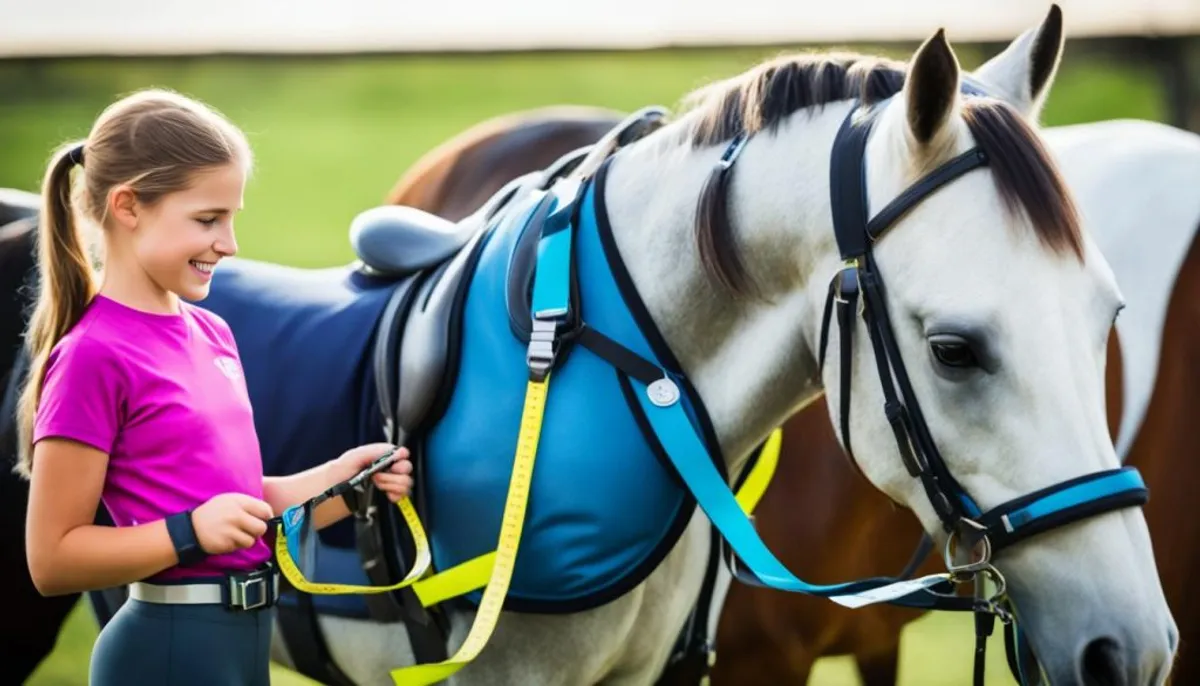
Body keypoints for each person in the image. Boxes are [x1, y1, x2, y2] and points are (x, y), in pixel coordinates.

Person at [14, 88, 414, 686]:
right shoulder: (91, 355)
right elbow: (52, 559)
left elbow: (241, 506)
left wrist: (344, 482)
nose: (229, 244)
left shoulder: (212, 332)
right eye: (207, 219)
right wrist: (189, 532)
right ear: (128, 207)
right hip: (167, 653)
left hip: (245, 645)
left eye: (231, 218)